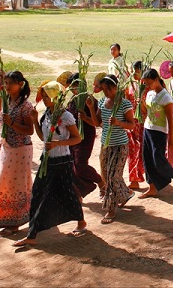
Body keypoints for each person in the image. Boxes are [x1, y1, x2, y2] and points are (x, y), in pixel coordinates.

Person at [13, 81, 86, 246]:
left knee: (64, 193)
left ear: (55, 97)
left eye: (47, 96)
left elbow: (77, 138)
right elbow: (42, 137)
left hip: (62, 161)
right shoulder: (46, 114)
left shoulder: (65, 116)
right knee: (37, 193)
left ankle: (34, 235)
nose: (44, 99)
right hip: (47, 161)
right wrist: (34, 120)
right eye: (43, 96)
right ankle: (32, 234)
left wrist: (57, 144)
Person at [0, 71, 33, 237]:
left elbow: (30, 130)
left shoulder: (26, 105)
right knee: (2, 183)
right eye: (5, 83)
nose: (7, 86)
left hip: (20, 150)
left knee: (15, 186)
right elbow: (3, 121)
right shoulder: (8, 101)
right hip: (7, 148)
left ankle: (15, 223)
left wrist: (13, 123)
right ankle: (9, 219)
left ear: (20, 84)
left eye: (10, 83)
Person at [88, 74, 135, 224]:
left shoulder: (124, 104)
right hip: (105, 145)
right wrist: (90, 108)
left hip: (120, 145)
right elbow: (97, 122)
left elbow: (132, 124)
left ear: (115, 88)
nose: (105, 93)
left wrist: (118, 123)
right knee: (107, 175)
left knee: (112, 176)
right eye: (103, 90)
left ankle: (111, 209)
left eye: (107, 90)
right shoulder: (102, 102)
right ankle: (126, 192)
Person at [138, 69, 173, 198]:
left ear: (156, 80)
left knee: (158, 160)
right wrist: (141, 104)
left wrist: (172, 138)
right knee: (147, 159)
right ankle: (152, 187)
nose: (147, 86)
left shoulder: (166, 97)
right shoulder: (149, 94)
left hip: (159, 133)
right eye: (146, 84)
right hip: (148, 129)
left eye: (149, 83)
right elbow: (147, 112)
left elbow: (170, 119)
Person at [66, 73, 103, 199]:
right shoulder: (71, 101)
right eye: (71, 87)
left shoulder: (90, 100)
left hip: (86, 136)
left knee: (80, 164)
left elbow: (97, 122)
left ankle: (100, 181)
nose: (73, 90)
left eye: (75, 86)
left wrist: (86, 118)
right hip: (72, 138)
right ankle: (80, 192)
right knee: (72, 166)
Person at [126, 61, 145, 190]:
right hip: (131, 123)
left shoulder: (145, 87)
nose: (134, 73)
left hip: (142, 124)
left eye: (136, 71)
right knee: (132, 151)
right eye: (133, 70)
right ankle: (134, 179)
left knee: (140, 151)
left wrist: (141, 103)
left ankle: (140, 177)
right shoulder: (132, 86)